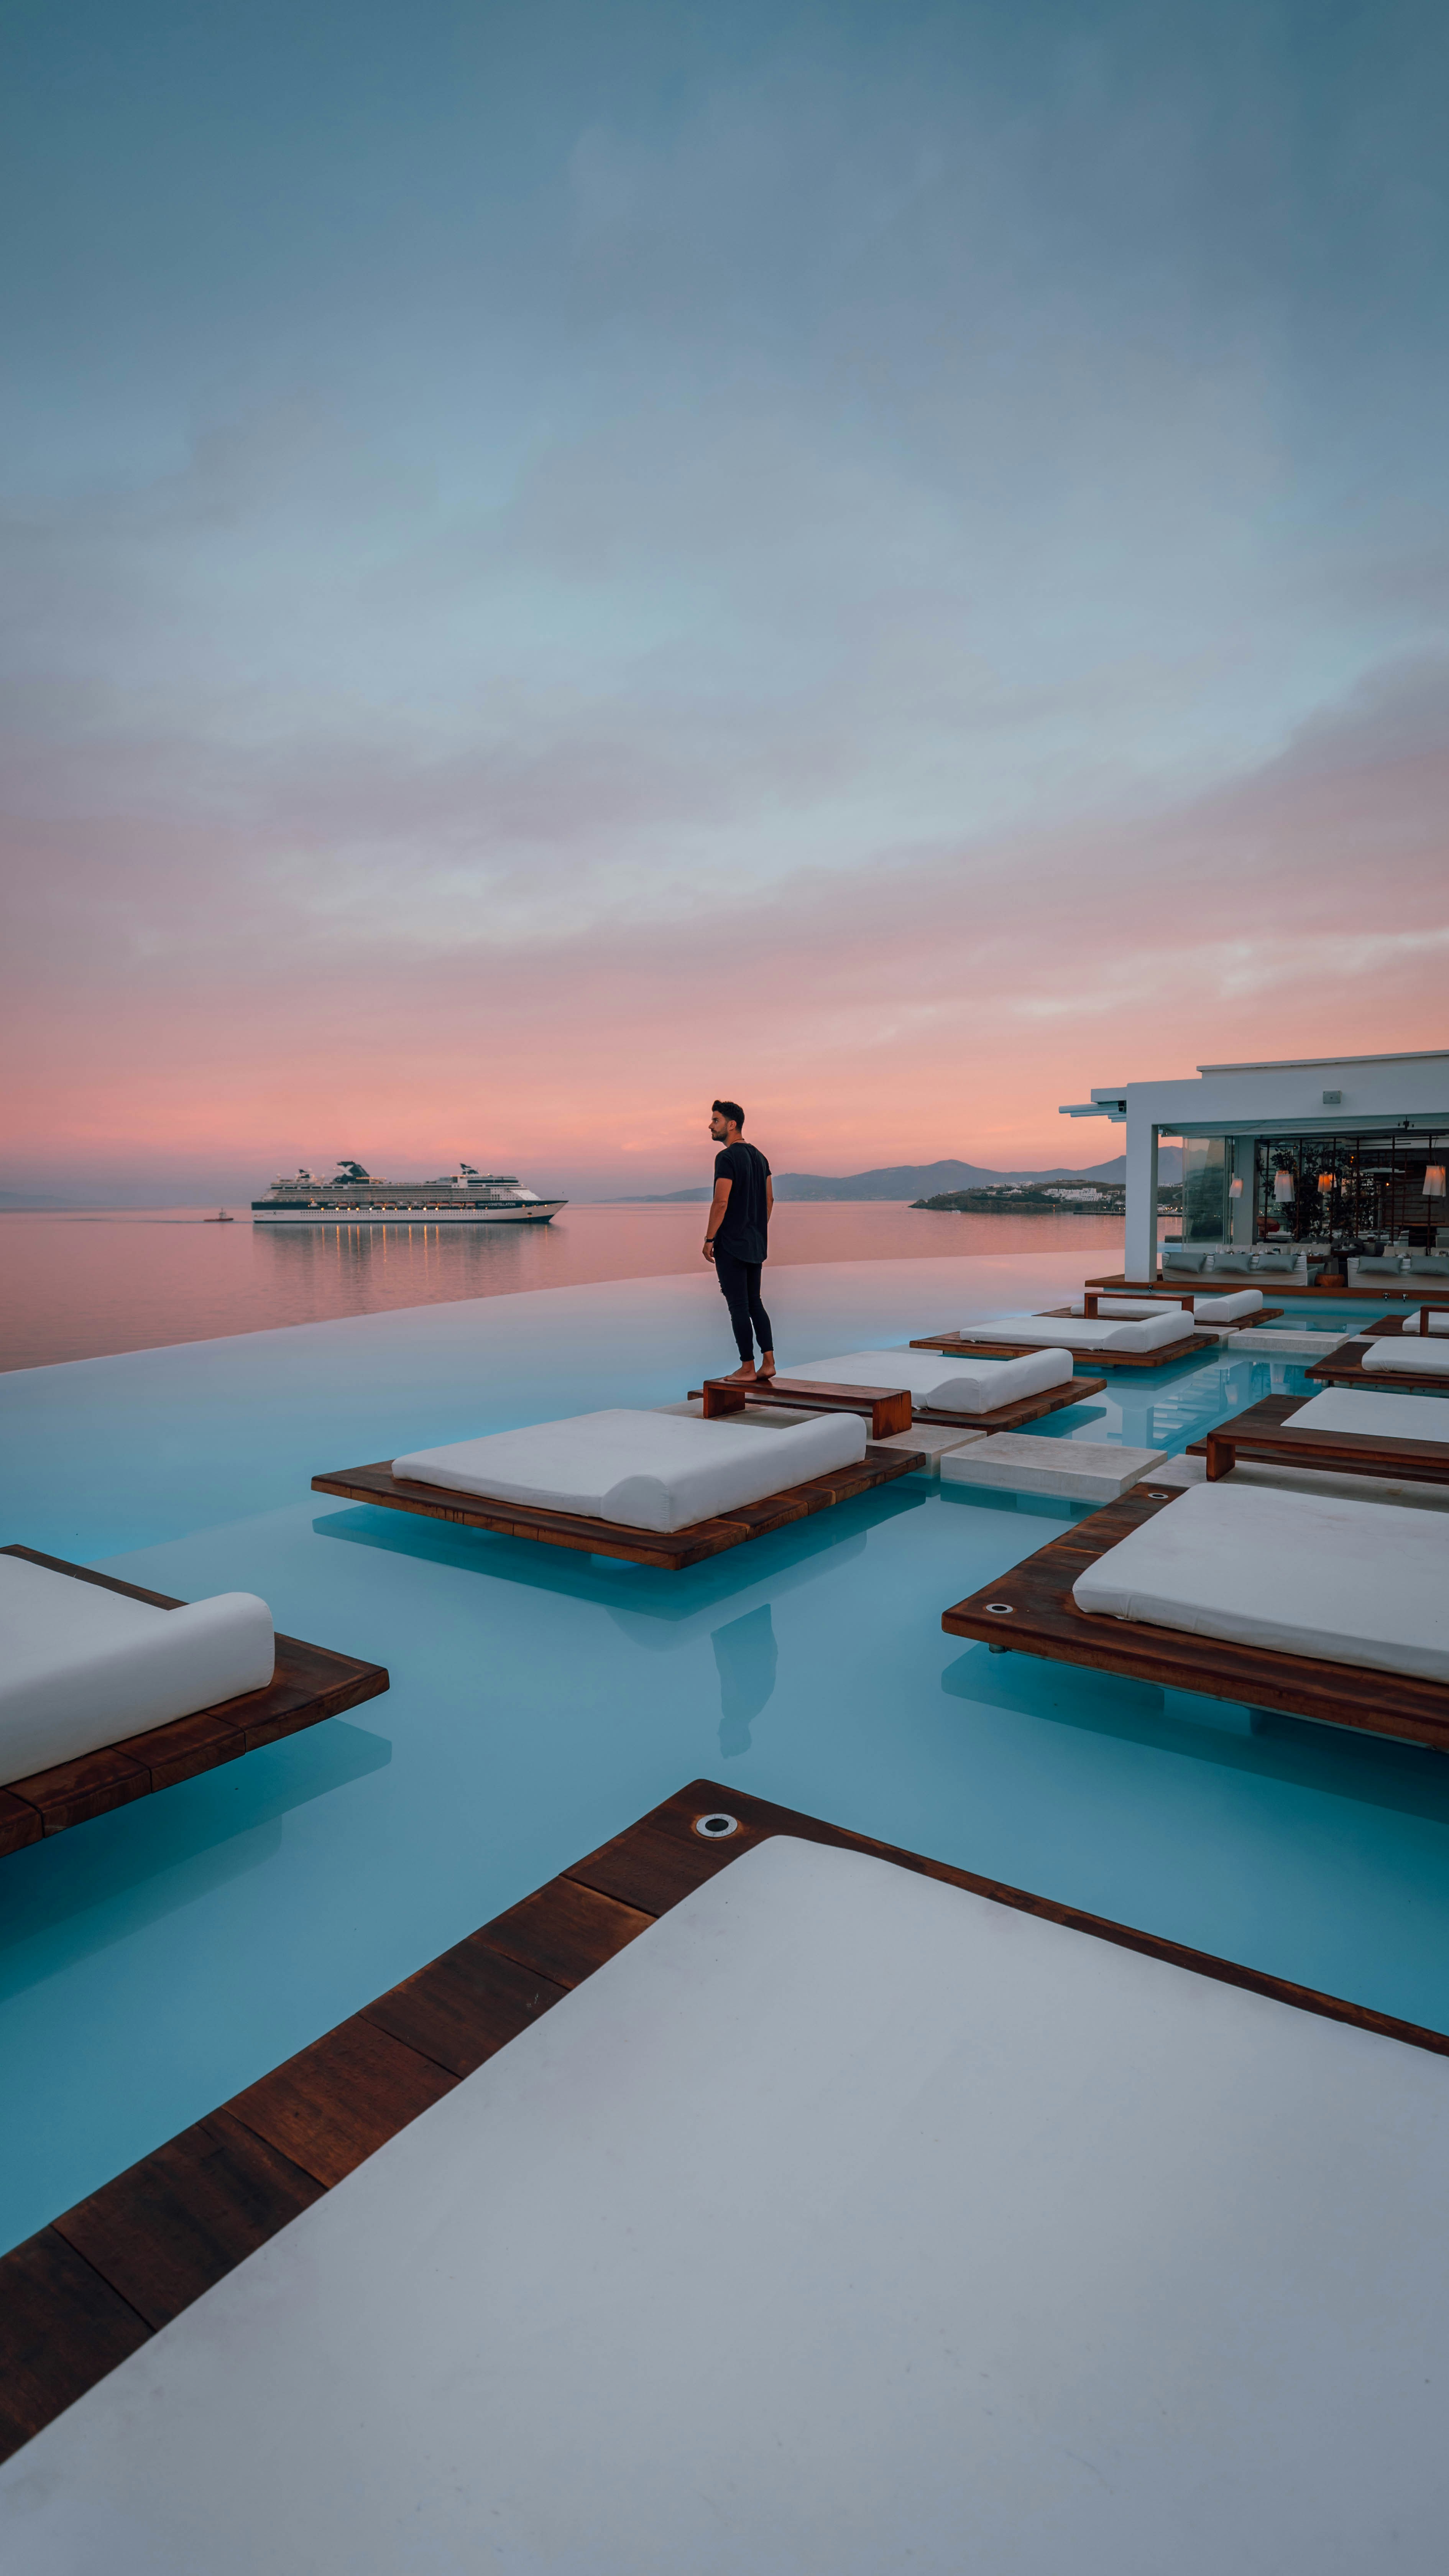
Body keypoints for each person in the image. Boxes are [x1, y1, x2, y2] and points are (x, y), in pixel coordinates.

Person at [703, 1100, 775, 1382]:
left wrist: (710, 1238)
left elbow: (721, 1201)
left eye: (716, 1120)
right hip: (755, 1243)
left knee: (738, 1307)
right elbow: (770, 1199)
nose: (711, 1125)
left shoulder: (728, 1158)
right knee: (754, 1302)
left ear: (731, 1125)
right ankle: (768, 1364)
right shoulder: (760, 1157)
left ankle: (747, 1368)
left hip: (732, 1244)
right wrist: (755, 1229)